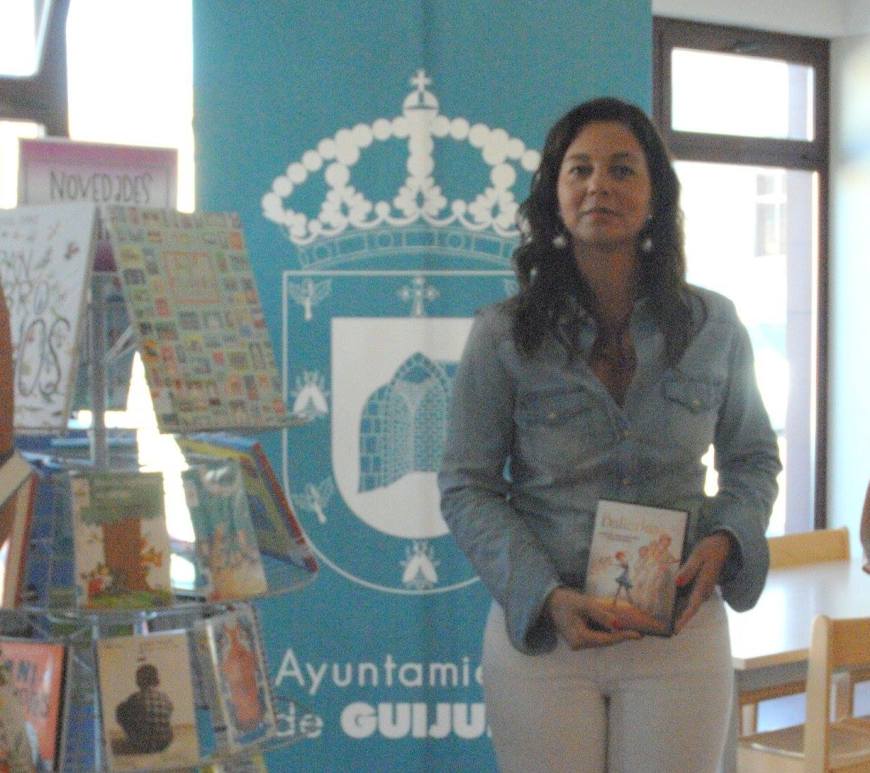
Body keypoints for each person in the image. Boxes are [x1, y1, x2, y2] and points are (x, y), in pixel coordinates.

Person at [438, 97, 781, 772]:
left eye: (622, 169)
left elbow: (753, 459)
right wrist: (546, 596)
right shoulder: (502, 334)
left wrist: (725, 539)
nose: (600, 185)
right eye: (580, 170)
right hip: (546, 635)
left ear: (654, 198)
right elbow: (466, 485)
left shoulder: (716, 327)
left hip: (678, 631)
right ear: (555, 195)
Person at [115, 664, 174, 754]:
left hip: (141, 745)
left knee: (121, 708)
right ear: (157, 680)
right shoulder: (165, 697)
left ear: (138, 682)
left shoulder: (135, 697)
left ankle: (138, 738)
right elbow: (170, 710)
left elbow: (124, 716)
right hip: (164, 744)